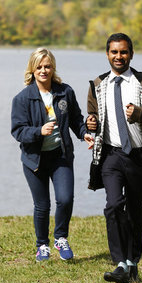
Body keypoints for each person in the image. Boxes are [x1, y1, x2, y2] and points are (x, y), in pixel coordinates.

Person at [86, 33, 142, 283]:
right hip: (110, 155)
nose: (118, 56)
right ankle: (120, 263)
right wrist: (90, 124)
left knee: (135, 211)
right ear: (107, 54)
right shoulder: (98, 84)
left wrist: (141, 114)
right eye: (114, 52)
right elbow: (92, 117)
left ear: (131, 54)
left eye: (123, 52)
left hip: (138, 156)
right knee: (113, 205)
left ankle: (132, 262)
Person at [11, 47, 94, 262]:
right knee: (42, 205)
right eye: (39, 66)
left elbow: (76, 119)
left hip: (61, 156)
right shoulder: (22, 99)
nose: (43, 70)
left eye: (47, 66)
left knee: (65, 199)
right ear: (32, 69)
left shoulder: (65, 92)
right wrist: (39, 131)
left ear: (53, 68)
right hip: (34, 160)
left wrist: (84, 133)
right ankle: (42, 246)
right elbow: (18, 130)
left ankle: (60, 238)